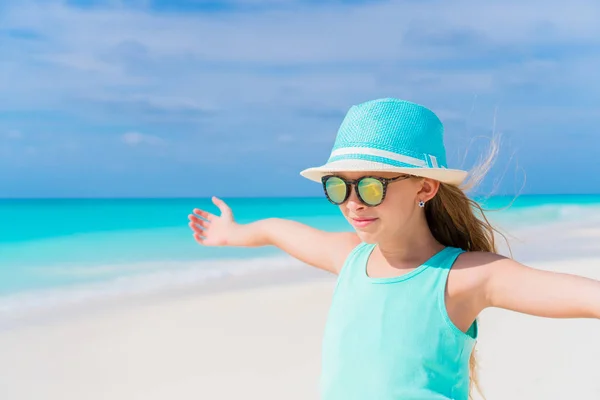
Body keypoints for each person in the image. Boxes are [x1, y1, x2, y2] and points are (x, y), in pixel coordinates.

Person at [187, 98, 600, 400]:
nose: (353, 202)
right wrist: (231, 234)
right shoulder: (350, 258)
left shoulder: (463, 277)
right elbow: (280, 230)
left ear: (425, 186)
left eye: (371, 185)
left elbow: (584, 296)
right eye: (338, 186)